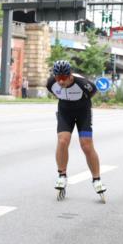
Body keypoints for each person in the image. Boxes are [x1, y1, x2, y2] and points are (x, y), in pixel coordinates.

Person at [46, 60, 105, 199]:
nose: (60, 81)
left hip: (83, 113)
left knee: (86, 145)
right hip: (65, 112)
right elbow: (55, 92)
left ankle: (96, 179)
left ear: (70, 75)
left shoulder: (84, 84)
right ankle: (62, 175)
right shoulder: (51, 83)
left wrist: (80, 103)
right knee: (62, 141)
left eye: (63, 78)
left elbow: (92, 93)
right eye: (58, 78)